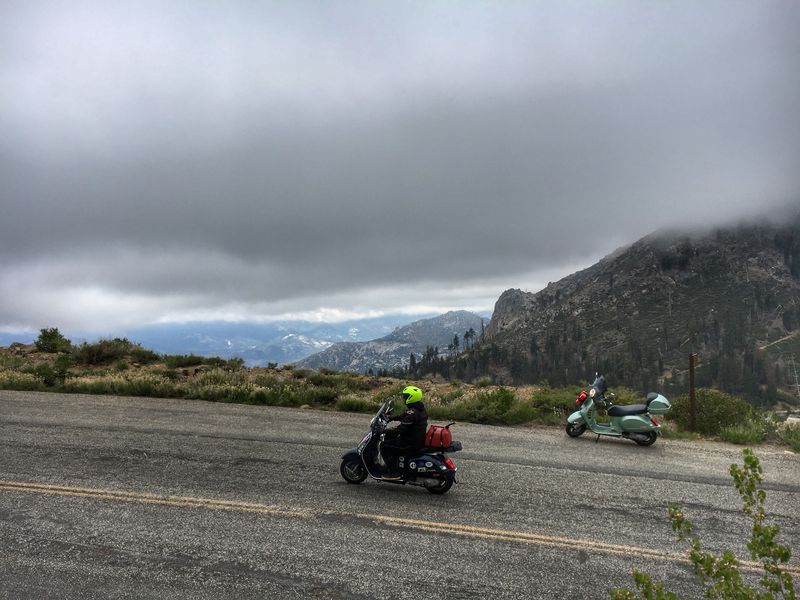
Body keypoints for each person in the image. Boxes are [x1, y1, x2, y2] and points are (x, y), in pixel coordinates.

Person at [381, 385, 428, 478]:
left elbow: (400, 429)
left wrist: (383, 431)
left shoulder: (413, 413)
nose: (404, 398)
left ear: (411, 397)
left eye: (406, 396)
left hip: (409, 443)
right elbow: (404, 416)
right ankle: (397, 464)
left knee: (384, 446)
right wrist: (391, 417)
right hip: (416, 439)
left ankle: (393, 472)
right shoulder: (418, 408)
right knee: (390, 438)